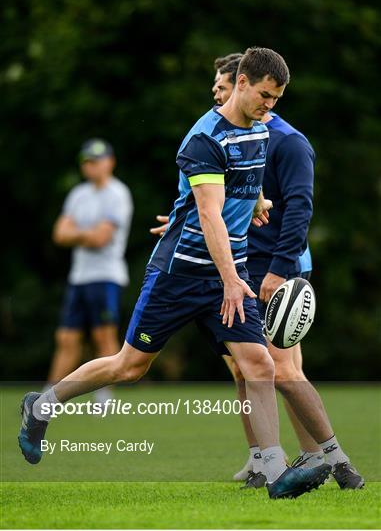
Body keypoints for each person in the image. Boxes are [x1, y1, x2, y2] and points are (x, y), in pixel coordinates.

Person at [18, 47, 331, 500]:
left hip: (229, 272)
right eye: (265, 95)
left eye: (277, 99)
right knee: (129, 367)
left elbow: (246, 179)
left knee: (259, 363)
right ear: (241, 82)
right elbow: (209, 216)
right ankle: (42, 405)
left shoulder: (259, 130)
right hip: (180, 273)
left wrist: (258, 201)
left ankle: (276, 470)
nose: (270, 105)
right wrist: (228, 278)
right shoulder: (203, 139)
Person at [151, 54, 365, 490]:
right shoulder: (239, 134)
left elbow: (301, 207)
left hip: (274, 269)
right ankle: (266, 460)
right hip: (245, 264)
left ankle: (334, 462)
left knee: (278, 369)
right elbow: (225, 200)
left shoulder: (286, 140)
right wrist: (183, 222)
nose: (215, 92)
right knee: (250, 368)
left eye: (221, 85)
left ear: (241, 85)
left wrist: (280, 270)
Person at [47, 138, 133, 404]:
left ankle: (104, 396)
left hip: (106, 276)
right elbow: (59, 234)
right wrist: (87, 233)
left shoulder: (118, 193)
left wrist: (77, 233)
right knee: (66, 338)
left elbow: (101, 239)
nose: (91, 167)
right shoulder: (78, 194)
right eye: (87, 162)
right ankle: (46, 396)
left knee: (103, 335)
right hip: (79, 276)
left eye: (96, 161)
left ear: (110, 162)